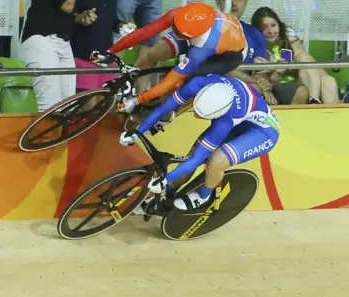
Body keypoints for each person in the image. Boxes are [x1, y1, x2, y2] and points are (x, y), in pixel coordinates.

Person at [119, 74, 280, 211]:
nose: (196, 116)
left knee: (215, 161)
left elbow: (197, 159)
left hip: (263, 132)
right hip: (241, 119)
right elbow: (164, 108)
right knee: (189, 157)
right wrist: (138, 132)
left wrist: (165, 178)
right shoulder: (199, 83)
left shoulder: (226, 120)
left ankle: (204, 197)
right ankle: (166, 193)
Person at [94, 1, 249, 113]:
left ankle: (162, 111)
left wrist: (138, 100)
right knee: (153, 53)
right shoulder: (180, 15)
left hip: (229, 54)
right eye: (174, 27)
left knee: (183, 82)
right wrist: (112, 50)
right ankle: (140, 95)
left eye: (178, 32)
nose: (173, 31)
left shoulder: (202, 48)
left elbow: (172, 79)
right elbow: (144, 33)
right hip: (203, 32)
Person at [71, 0, 132, 92]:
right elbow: (70, 20)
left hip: (106, 58)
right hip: (85, 57)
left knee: (106, 105)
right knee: (88, 105)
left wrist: (121, 26)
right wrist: (82, 18)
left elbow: (111, 20)